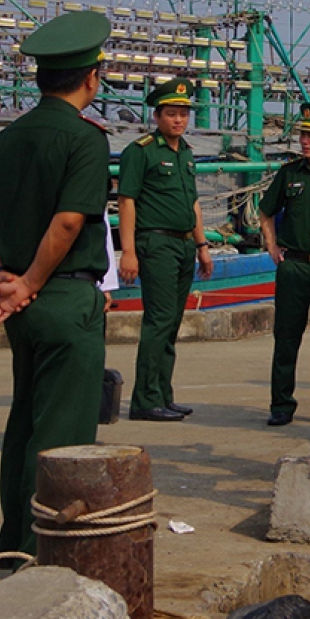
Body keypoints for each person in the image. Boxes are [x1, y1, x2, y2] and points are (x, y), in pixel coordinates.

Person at [0, 10, 113, 559]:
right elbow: (70, 221)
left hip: (23, 305)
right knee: (63, 433)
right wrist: (29, 280)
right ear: (91, 77)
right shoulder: (85, 141)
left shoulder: (7, 140)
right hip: (63, 296)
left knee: (25, 422)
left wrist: (2, 277)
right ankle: (44, 551)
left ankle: (13, 543)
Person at [118, 77, 214, 421]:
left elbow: (193, 204)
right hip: (155, 242)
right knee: (158, 321)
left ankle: (163, 393)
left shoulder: (186, 152)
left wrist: (202, 245)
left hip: (184, 244)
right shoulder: (141, 151)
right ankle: (145, 400)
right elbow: (126, 201)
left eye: (184, 114)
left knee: (171, 322)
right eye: (172, 114)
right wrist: (127, 252)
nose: (179, 120)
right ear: (157, 116)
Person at [259, 103, 310, 427]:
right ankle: (281, 404)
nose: (305, 141)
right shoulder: (289, 174)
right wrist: (272, 245)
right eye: (302, 135)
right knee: (286, 338)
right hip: (294, 266)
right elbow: (265, 211)